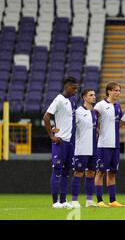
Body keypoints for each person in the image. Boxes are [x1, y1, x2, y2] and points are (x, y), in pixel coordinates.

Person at [43, 76, 78, 209]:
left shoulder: (73, 101)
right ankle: (55, 202)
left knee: (66, 172)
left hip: (70, 142)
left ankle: (63, 201)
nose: (75, 90)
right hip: (60, 141)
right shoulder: (58, 99)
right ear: (66, 87)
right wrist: (52, 135)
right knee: (57, 170)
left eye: (76, 88)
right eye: (73, 88)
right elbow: (46, 116)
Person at [93, 81, 125, 207]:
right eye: (116, 90)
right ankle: (99, 200)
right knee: (100, 172)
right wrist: (97, 130)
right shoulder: (100, 105)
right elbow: (92, 120)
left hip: (115, 145)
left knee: (112, 173)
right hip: (103, 144)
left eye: (119, 90)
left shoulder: (118, 106)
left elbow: (121, 122)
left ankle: (112, 201)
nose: (118, 93)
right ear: (109, 91)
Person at [71, 88, 98, 208]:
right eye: (91, 95)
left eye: (94, 95)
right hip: (81, 148)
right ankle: (74, 200)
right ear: (84, 97)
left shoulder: (95, 113)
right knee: (78, 173)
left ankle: (89, 200)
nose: (94, 97)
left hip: (93, 148)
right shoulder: (78, 112)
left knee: (91, 174)